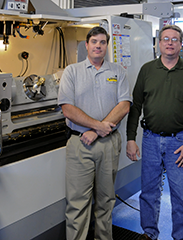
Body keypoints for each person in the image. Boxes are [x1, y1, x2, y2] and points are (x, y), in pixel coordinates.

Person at [126, 25, 183, 240]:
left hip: (178, 141)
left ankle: (180, 236)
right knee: (149, 192)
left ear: (180, 44)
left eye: (174, 39)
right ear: (158, 43)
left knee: (180, 194)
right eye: (165, 39)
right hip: (150, 140)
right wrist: (131, 138)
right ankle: (149, 233)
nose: (170, 43)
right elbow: (135, 107)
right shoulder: (147, 70)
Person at [58, 26, 131, 240]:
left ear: (107, 46)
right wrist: (97, 126)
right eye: (94, 42)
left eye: (102, 42)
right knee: (77, 203)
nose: (98, 46)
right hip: (80, 144)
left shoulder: (117, 71)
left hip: (108, 144)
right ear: (87, 45)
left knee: (106, 201)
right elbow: (67, 108)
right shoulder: (72, 71)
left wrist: (98, 132)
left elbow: (124, 105)